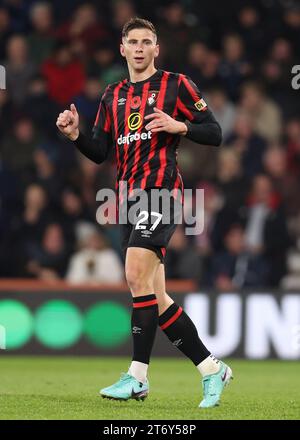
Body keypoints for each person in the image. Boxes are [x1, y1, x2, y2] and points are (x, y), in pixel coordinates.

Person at [56, 17, 232, 409]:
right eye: (132, 41)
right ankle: (210, 369)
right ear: (122, 49)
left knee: (134, 273)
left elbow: (215, 132)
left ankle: (137, 376)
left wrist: (180, 125)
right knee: (155, 294)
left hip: (163, 192)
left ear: (156, 48)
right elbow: (100, 151)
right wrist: (75, 136)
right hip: (126, 200)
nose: (138, 48)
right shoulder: (112, 95)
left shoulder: (177, 85)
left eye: (146, 41)